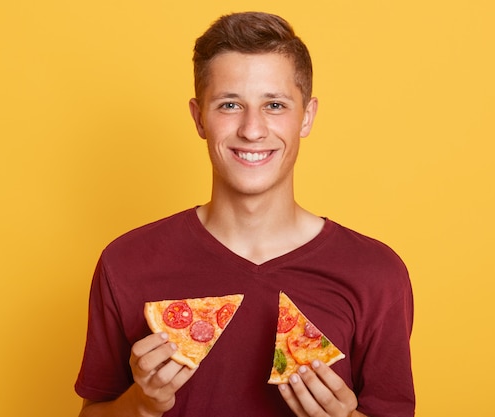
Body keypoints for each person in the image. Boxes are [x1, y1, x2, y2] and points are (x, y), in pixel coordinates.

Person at [75, 11, 415, 417]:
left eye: (274, 104)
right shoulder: (126, 262)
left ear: (306, 116)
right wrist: (142, 405)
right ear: (199, 117)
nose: (252, 130)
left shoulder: (376, 273)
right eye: (230, 104)